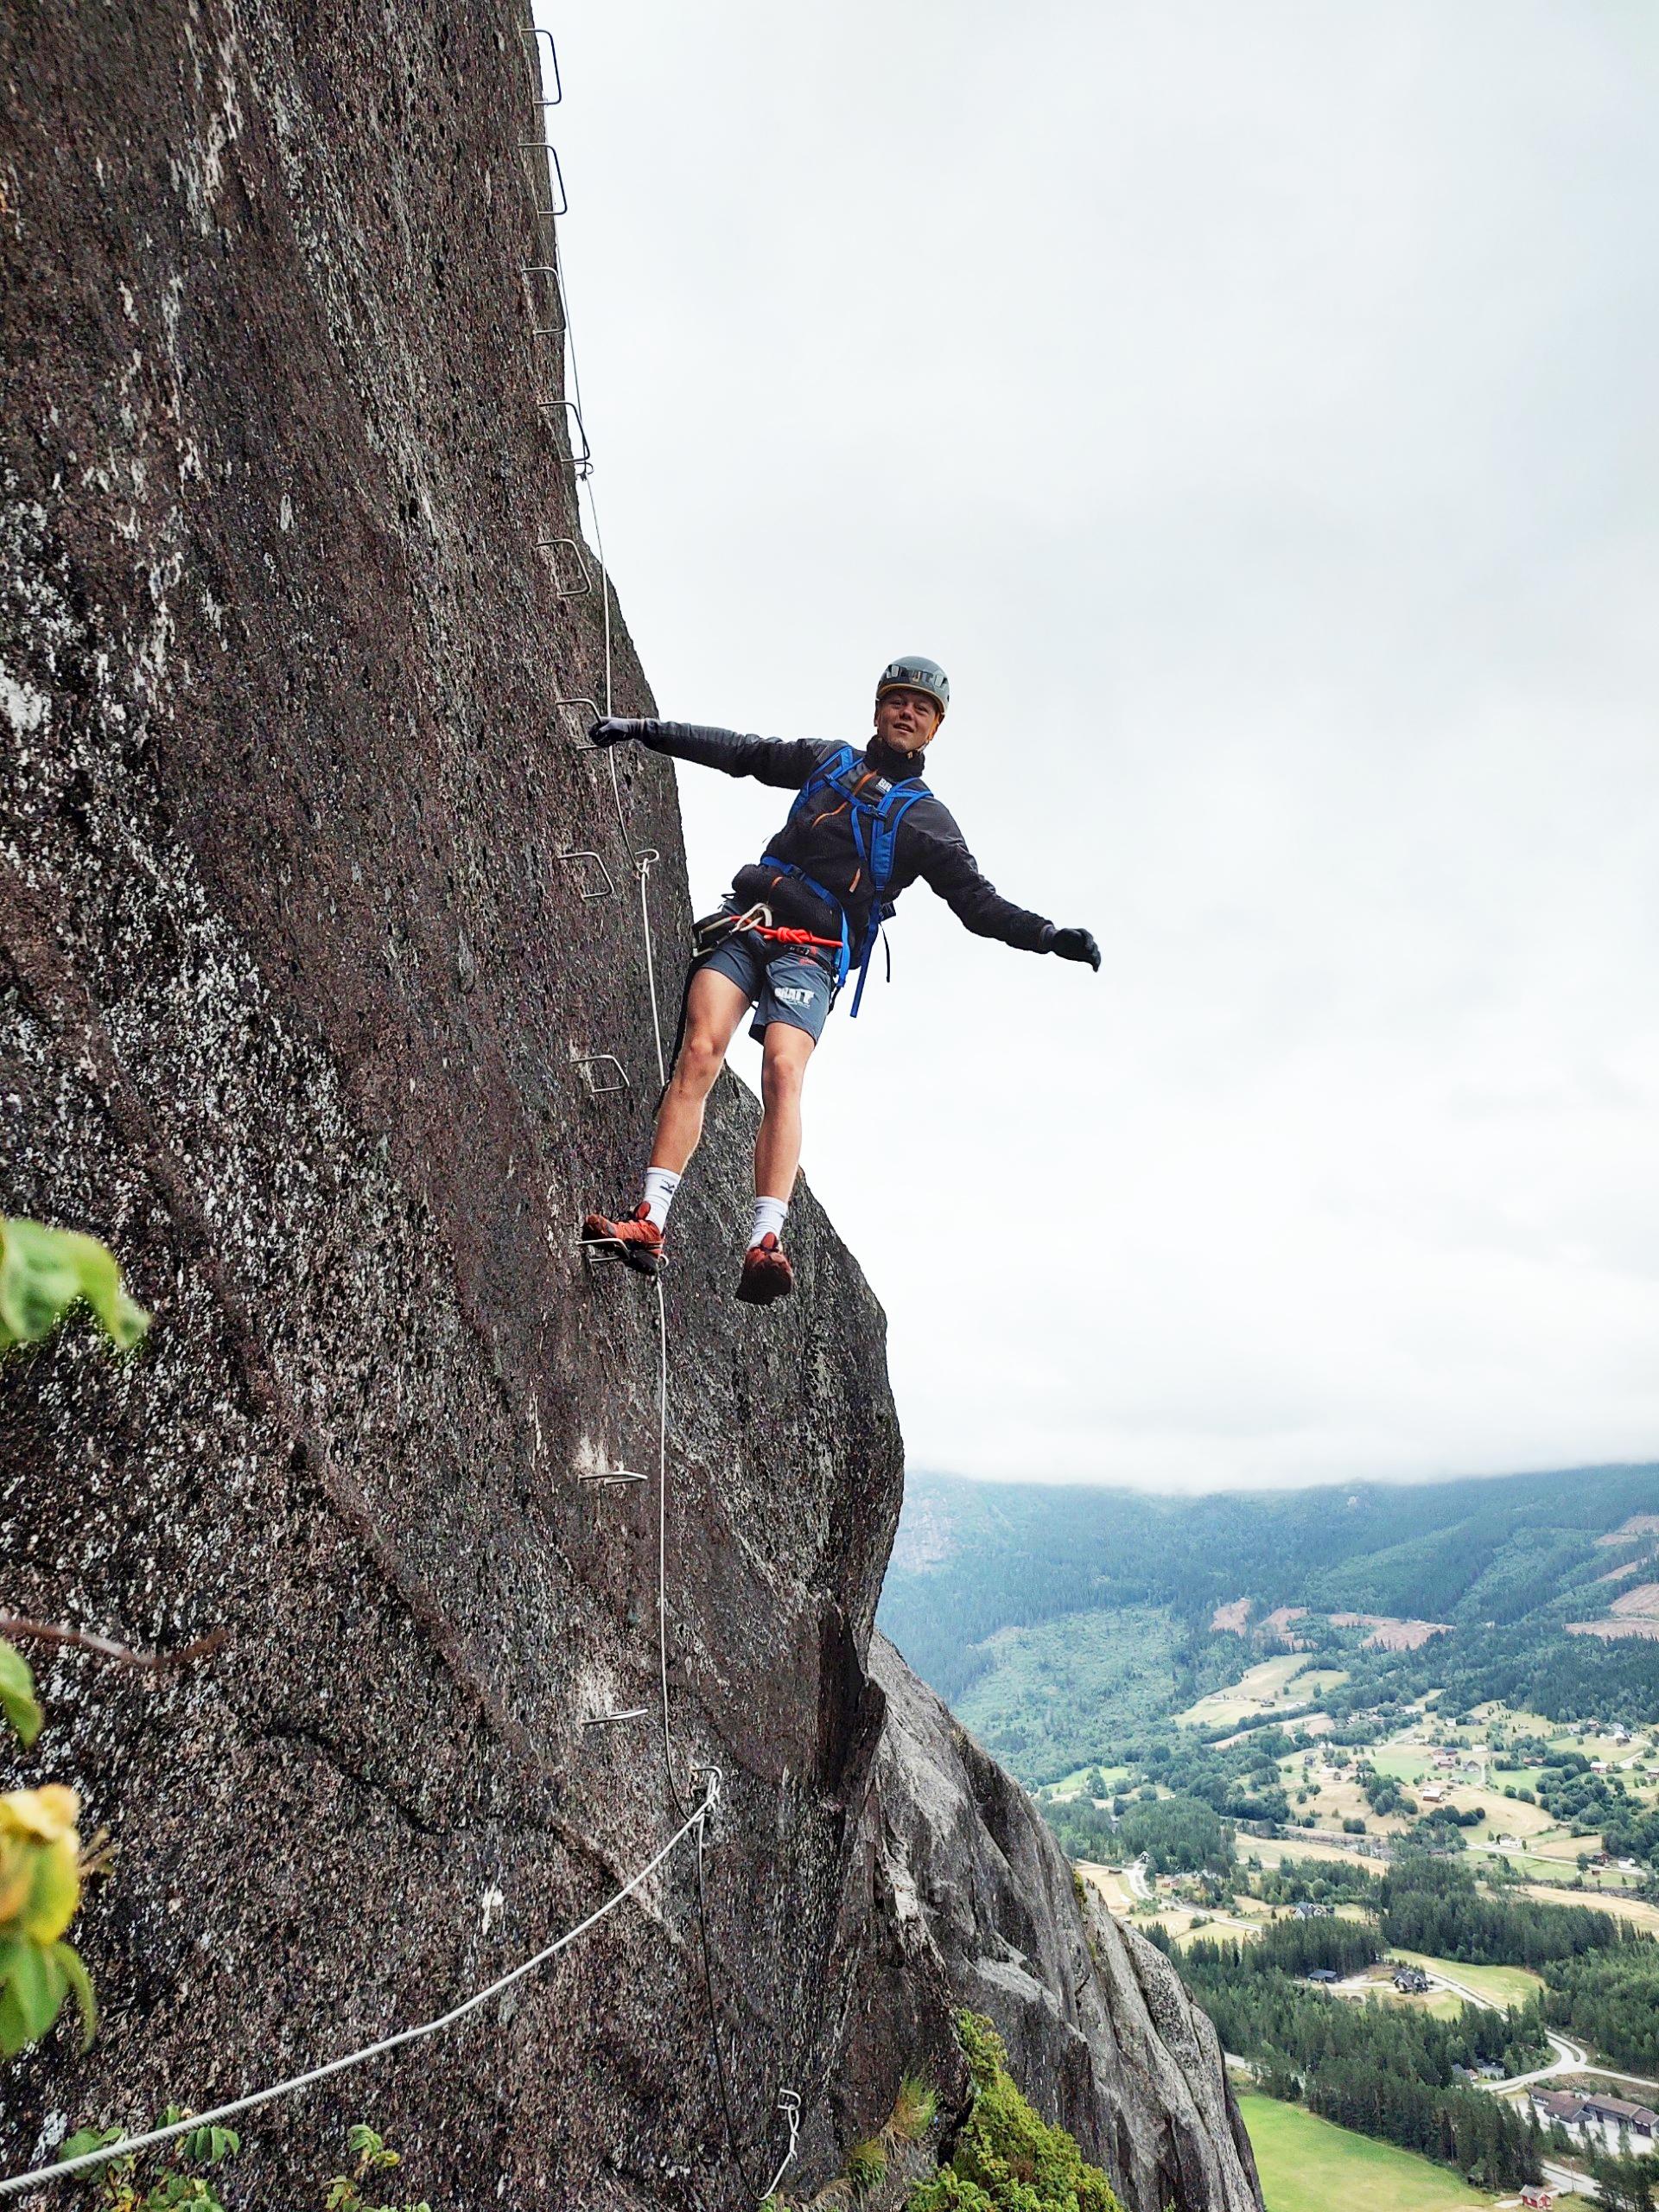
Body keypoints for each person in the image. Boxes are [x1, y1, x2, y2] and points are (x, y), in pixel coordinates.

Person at [581, 656, 1100, 1305]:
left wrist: (1049, 937)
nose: (906, 713)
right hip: (749, 924)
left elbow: (979, 904)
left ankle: (766, 1239)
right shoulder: (829, 762)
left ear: (936, 727)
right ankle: (650, 1221)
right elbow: (743, 753)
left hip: (815, 954)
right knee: (699, 1051)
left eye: (922, 707)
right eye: (897, 701)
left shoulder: (925, 823)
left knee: (782, 1069)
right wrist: (643, 729)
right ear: (878, 709)